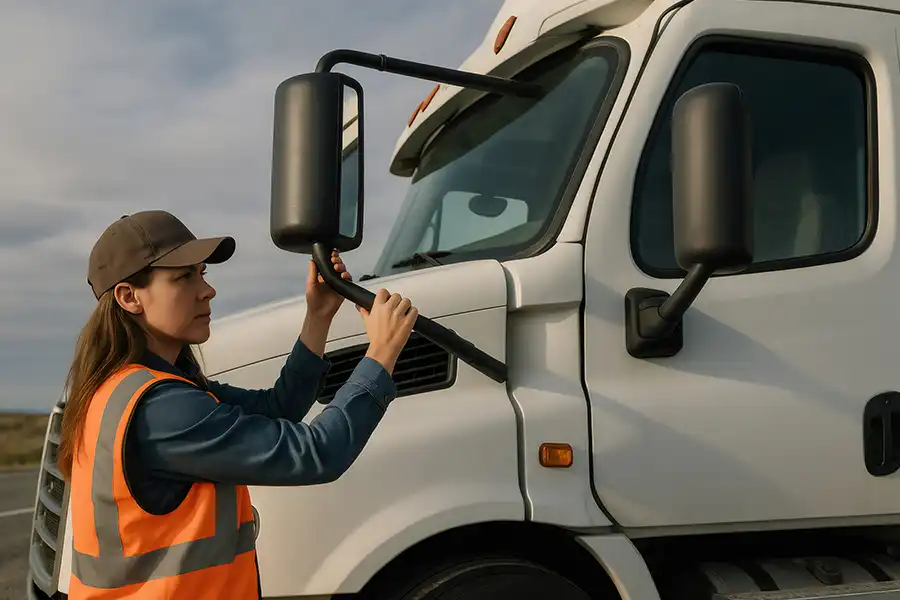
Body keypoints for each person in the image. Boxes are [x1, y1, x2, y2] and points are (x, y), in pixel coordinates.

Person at [56, 210, 418, 600]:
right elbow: (318, 453)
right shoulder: (160, 410)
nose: (206, 291)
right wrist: (381, 354)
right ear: (129, 297)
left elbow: (277, 409)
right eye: (183, 277)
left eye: (202, 274)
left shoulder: (132, 388)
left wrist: (318, 316)